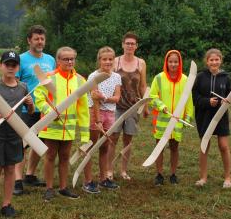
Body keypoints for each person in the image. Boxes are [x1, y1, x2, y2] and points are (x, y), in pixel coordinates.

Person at [0, 51, 34, 219]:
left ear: (18, 68)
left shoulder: (23, 87)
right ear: (1, 66)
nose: (10, 68)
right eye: (7, 64)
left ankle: (7, 204)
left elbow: (30, 112)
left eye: (14, 65)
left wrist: (30, 105)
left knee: (10, 169)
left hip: (14, 135)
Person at [34, 47, 90, 201]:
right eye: (66, 59)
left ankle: (64, 188)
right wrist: (50, 112)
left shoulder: (80, 80)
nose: (70, 61)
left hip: (69, 128)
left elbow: (83, 109)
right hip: (51, 126)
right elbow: (38, 97)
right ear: (58, 61)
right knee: (50, 156)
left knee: (65, 156)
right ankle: (49, 188)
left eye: (72, 58)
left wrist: (85, 135)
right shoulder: (49, 77)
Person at [14, 25, 56, 195]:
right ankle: (17, 180)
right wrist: (23, 101)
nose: (40, 42)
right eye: (36, 39)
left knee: (41, 143)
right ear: (29, 40)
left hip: (45, 109)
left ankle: (30, 175)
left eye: (42, 39)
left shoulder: (50, 60)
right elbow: (15, 83)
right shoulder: (21, 59)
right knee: (22, 145)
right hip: (27, 109)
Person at [148, 50, 194, 186]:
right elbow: (152, 97)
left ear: (179, 63)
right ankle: (159, 174)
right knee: (159, 147)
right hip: (162, 119)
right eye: (170, 62)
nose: (173, 64)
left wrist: (188, 117)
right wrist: (162, 106)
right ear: (166, 63)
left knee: (174, 147)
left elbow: (189, 100)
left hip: (177, 121)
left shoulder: (186, 79)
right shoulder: (158, 78)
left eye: (176, 62)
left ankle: (173, 174)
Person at [82, 47, 122, 194]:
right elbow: (95, 99)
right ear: (99, 60)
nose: (108, 62)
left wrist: (104, 97)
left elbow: (117, 98)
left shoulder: (117, 77)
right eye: (104, 59)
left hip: (110, 114)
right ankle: (87, 181)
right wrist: (98, 120)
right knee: (91, 147)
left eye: (110, 59)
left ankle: (104, 178)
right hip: (95, 112)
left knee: (105, 147)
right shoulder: (94, 76)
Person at [192, 49, 231, 188]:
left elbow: (230, 96)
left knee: (223, 146)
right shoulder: (200, 77)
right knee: (204, 146)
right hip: (204, 116)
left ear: (220, 60)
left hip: (221, 117)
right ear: (207, 61)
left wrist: (226, 102)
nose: (214, 62)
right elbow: (195, 98)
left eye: (217, 60)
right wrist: (207, 102)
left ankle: (228, 178)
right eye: (211, 60)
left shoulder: (226, 77)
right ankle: (203, 178)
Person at [112, 32, 148, 180]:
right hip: (116, 106)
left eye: (132, 44)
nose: (130, 46)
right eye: (127, 43)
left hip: (133, 107)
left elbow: (143, 85)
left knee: (128, 140)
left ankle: (123, 170)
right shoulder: (115, 62)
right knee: (112, 138)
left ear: (136, 46)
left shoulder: (141, 63)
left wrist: (145, 106)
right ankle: (109, 170)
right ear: (122, 45)